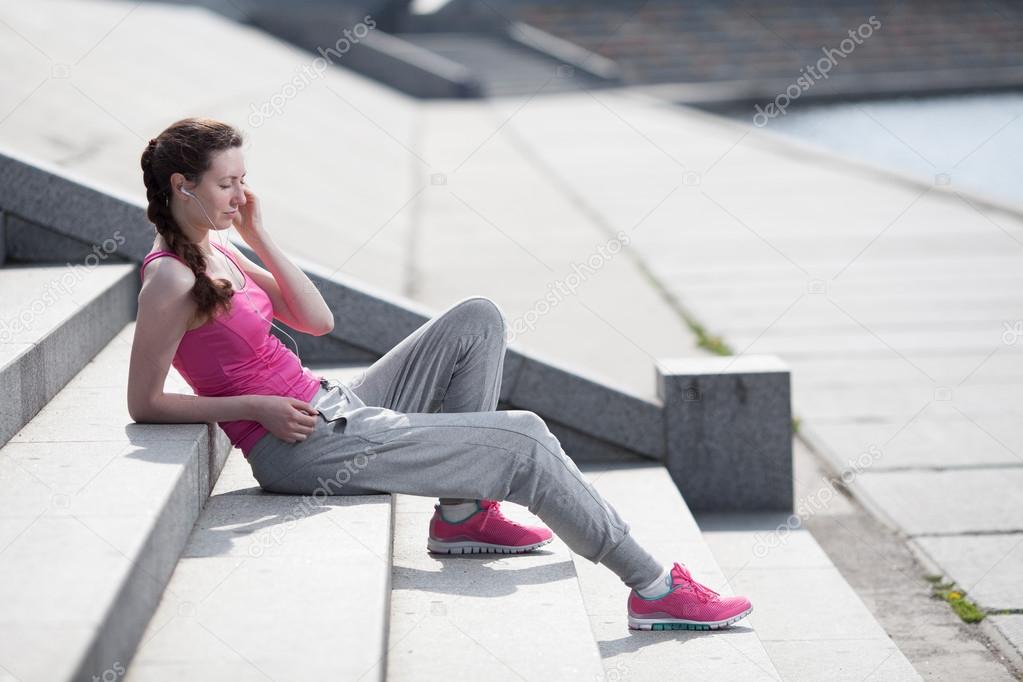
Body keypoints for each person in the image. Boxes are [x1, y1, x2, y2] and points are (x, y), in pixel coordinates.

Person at [127, 116, 753, 631]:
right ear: (183, 185)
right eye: (227, 185)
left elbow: (316, 321)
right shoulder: (170, 279)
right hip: (299, 444)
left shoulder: (218, 250)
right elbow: (145, 401)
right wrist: (253, 408)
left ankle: (462, 516)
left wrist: (259, 235)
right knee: (525, 436)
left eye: (244, 182)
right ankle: (653, 586)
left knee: (476, 318)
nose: (240, 196)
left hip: (329, 401)